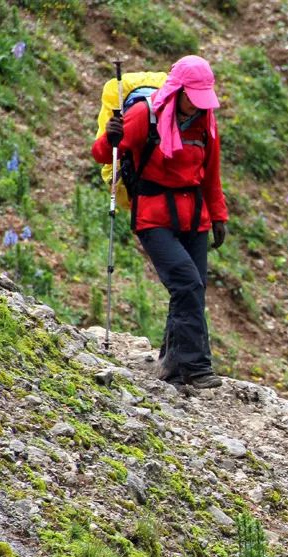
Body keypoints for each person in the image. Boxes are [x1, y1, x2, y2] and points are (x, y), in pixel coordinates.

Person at [91, 55, 228, 391]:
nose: (197, 106)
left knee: (191, 288)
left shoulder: (205, 121)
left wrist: (219, 216)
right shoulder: (143, 115)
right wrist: (111, 137)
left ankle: (171, 363)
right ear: (178, 90)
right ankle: (196, 367)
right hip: (153, 215)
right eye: (192, 98)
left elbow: (211, 174)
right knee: (186, 283)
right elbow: (102, 153)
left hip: (194, 216)